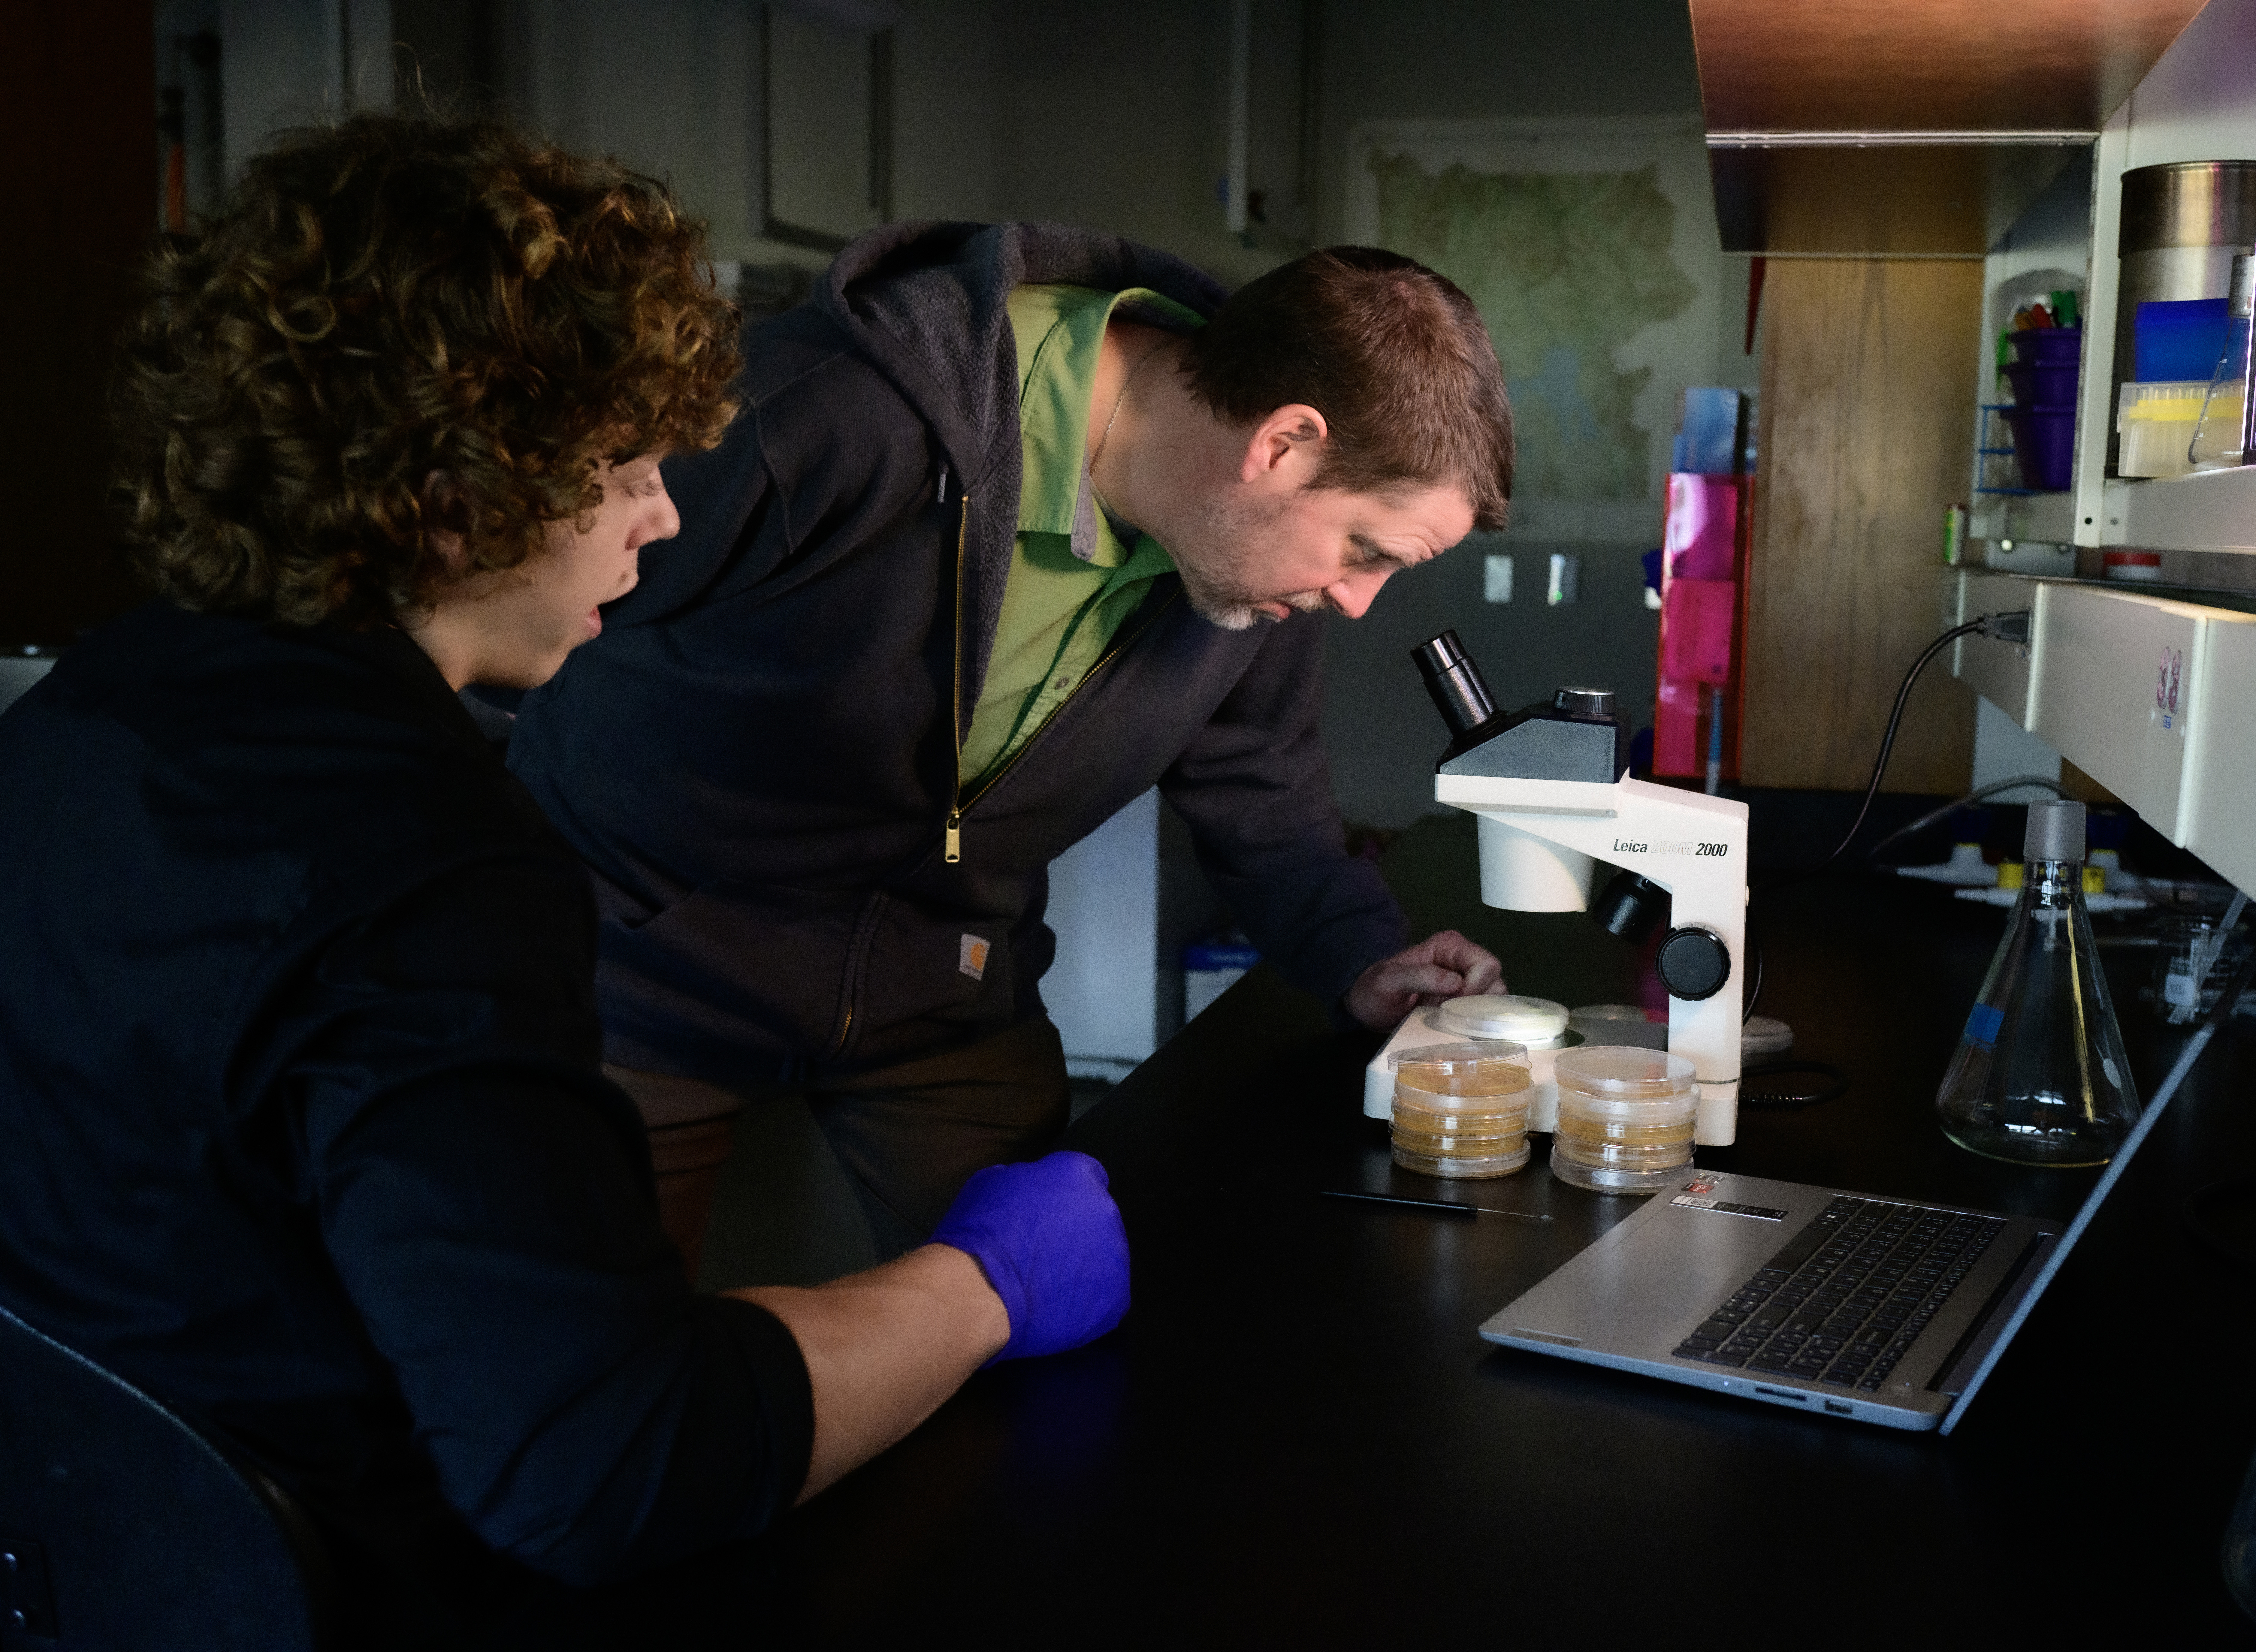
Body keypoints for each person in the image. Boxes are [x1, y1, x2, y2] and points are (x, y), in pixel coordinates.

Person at [0, 116, 1127, 1648]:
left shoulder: (79, 720)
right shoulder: (424, 865)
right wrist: (982, 1284)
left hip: (84, 1564)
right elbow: (602, 1465)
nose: (662, 515)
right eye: (623, 468)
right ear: (452, 496)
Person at [503, 223, 1516, 1263]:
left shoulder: (1247, 574)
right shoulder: (828, 413)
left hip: (943, 990)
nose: (1356, 600)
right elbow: (500, 631)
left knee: (1056, 1319)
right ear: (1283, 444)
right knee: (589, 1338)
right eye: (1364, 550)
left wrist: (1360, 955)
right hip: (636, 976)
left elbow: (1261, 788)